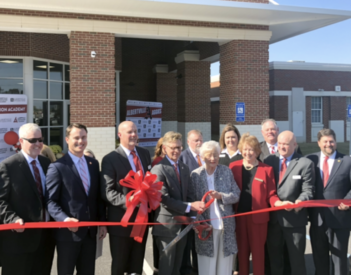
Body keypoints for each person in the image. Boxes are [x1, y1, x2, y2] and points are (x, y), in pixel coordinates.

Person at [45, 123, 107, 275]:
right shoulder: (57, 167)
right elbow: (50, 201)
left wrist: (102, 223)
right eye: (76, 138)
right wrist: (65, 220)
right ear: (67, 139)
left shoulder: (93, 164)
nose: (81, 141)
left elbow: (96, 198)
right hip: (68, 235)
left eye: (84, 137)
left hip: (90, 233)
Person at [0, 123, 55, 275]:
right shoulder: (8, 166)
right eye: (32, 140)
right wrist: (12, 219)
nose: (38, 144)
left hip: (46, 239)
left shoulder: (47, 164)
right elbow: (0, 201)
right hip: (18, 240)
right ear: (21, 141)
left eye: (40, 139)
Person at [101, 121, 152, 275]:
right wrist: (131, 202)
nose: (134, 135)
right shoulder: (110, 158)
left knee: (136, 266)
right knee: (120, 266)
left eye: (135, 131)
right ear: (119, 135)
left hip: (142, 221)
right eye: (129, 132)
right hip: (121, 222)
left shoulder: (144, 154)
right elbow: (108, 192)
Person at [150, 131, 205, 275]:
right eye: (173, 148)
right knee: (167, 268)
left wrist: (193, 218)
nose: (176, 151)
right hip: (167, 228)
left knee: (178, 267)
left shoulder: (184, 167)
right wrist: (189, 206)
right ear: (164, 149)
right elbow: (164, 198)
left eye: (179, 148)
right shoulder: (159, 168)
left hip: (184, 226)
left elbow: (190, 194)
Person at [229, 133, 284, 275]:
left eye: (251, 149)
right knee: (242, 254)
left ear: (257, 151)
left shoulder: (266, 169)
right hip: (239, 217)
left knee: (259, 254)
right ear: (241, 150)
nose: (248, 153)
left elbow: (271, 194)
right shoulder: (233, 167)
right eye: (245, 149)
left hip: (259, 220)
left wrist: (277, 203)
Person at [264, 131, 315, 275]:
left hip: (295, 220)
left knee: (296, 261)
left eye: (286, 144)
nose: (281, 147)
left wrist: (300, 201)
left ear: (295, 144)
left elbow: (308, 190)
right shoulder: (269, 160)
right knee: (275, 260)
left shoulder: (305, 163)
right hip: (274, 221)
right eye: (279, 143)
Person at [190, 140, 240, 275]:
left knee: (224, 268)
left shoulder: (226, 171)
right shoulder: (195, 175)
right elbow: (191, 201)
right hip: (205, 226)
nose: (213, 158)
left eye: (216, 155)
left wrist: (221, 196)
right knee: (207, 267)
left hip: (226, 226)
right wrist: (197, 221)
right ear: (202, 157)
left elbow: (236, 195)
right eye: (209, 155)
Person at [306, 129, 351, 275]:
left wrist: (347, 201)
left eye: (331, 141)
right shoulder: (310, 160)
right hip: (317, 220)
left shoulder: (347, 161)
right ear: (319, 143)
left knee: (339, 262)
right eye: (325, 141)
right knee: (320, 261)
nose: (328, 144)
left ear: (336, 142)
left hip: (340, 219)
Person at [179, 129, 204, 274]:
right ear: (188, 142)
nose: (199, 143)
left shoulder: (205, 155)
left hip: (205, 206)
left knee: (200, 242)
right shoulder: (183, 157)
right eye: (196, 140)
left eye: (200, 140)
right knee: (188, 243)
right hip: (190, 207)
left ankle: (199, 268)